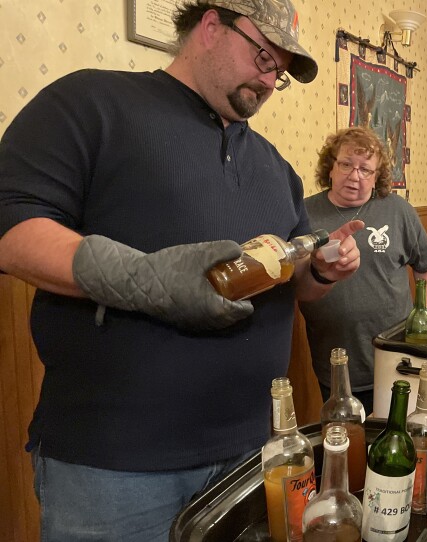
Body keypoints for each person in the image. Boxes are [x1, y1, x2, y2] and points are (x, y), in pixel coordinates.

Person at [0, 1, 363, 540]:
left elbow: (295, 284)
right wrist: (145, 278)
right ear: (211, 26)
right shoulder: (91, 102)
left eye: (278, 72)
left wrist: (323, 272)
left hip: (250, 454)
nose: (268, 79)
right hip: (115, 467)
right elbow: (13, 228)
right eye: (263, 56)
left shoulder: (275, 167)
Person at [299, 127, 427, 415]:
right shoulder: (303, 214)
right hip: (336, 359)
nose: (355, 176)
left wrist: (423, 317)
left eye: (366, 169)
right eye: (346, 164)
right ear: (330, 167)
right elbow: (294, 279)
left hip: (398, 357)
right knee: (347, 442)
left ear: (377, 177)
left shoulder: (398, 211)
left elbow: (426, 267)